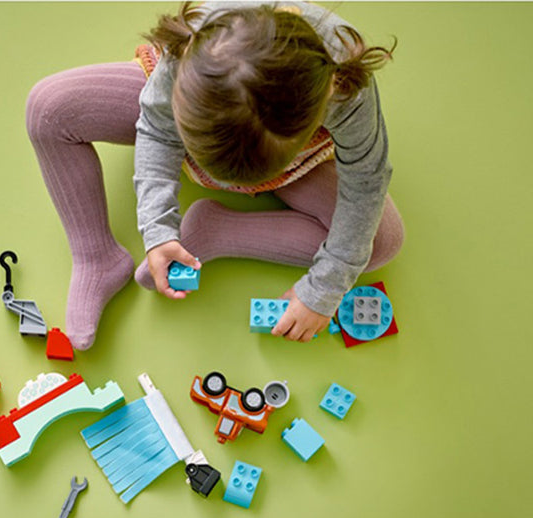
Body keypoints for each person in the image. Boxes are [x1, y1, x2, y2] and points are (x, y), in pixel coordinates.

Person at [25, 1, 404, 349]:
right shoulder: (199, 41)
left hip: (294, 164)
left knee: (381, 242)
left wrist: (324, 289)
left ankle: (218, 230)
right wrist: (157, 230)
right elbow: (157, 128)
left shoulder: (344, 89)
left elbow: (366, 181)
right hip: (190, 116)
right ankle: (96, 255)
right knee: (48, 109)